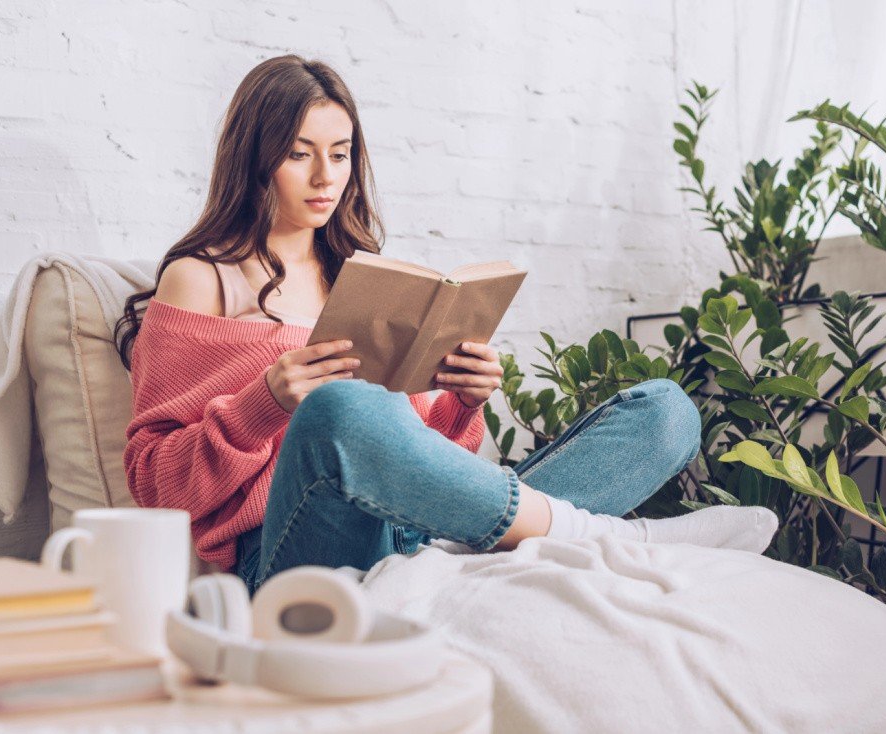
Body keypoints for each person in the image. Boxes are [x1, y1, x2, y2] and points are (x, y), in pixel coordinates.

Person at [115, 55, 777, 598]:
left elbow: (426, 463)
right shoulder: (202, 278)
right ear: (255, 158)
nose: (326, 178)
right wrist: (265, 404)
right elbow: (154, 480)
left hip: (420, 533)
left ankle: (466, 552)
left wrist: (464, 402)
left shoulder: (360, 272)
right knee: (344, 407)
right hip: (295, 550)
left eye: (341, 154)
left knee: (667, 411)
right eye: (299, 154)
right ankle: (601, 533)